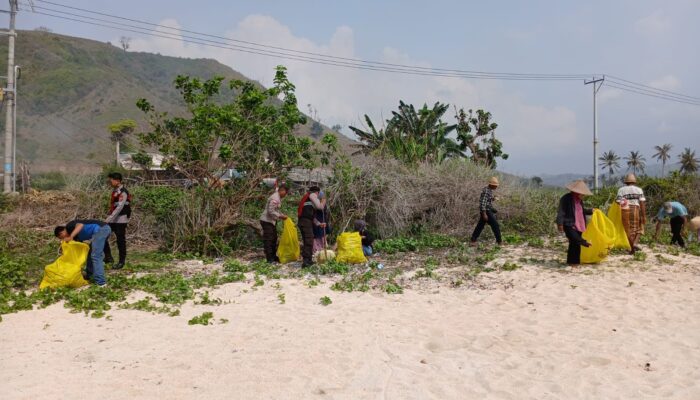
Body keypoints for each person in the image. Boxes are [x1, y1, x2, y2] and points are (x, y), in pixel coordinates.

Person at [54, 219, 112, 287]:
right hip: (100, 232)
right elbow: (79, 248)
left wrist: (70, 237)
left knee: (96, 255)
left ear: (62, 232)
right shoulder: (75, 236)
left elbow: (80, 225)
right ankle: (90, 276)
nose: (63, 239)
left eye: (61, 237)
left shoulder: (69, 226)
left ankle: (101, 283)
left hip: (102, 229)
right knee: (90, 254)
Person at [556, 180, 593, 266]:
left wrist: (591, 211)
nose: (583, 195)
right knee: (576, 240)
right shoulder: (566, 198)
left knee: (574, 244)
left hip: (579, 225)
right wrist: (560, 223)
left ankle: (573, 262)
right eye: (582, 194)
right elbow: (561, 211)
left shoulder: (579, 200)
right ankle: (585, 243)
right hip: (569, 223)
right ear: (577, 192)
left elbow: (580, 211)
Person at [103, 172, 131, 270]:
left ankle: (121, 262)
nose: (110, 182)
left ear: (117, 181)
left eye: (111, 180)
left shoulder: (123, 192)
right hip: (113, 219)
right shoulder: (115, 191)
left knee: (120, 241)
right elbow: (113, 206)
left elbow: (119, 208)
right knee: (102, 235)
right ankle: (108, 257)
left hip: (121, 220)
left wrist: (109, 218)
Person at [615, 173, 647, 254]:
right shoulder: (639, 190)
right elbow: (642, 203)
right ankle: (633, 247)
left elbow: (618, 202)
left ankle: (632, 246)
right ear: (634, 182)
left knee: (628, 229)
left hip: (624, 209)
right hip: (635, 209)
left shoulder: (621, 190)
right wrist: (643, 216)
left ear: (626, 182)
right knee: (637, 228)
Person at [260, 183, 289, 263]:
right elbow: (271, 211)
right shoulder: (275, 198)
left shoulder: (278, 197)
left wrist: (281, 215)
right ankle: (269, 258)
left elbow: (275, 210)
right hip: (267, 220)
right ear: (282, 190)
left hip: (271, 221)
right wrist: (280, 216)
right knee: (269, 239)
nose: (285, 195)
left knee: (274, 238)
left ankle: (273, 256)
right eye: (285, 193)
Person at [470, 177, 502, 246]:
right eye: (495, 185)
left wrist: (493, 198)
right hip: (486, 211)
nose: (496, 186)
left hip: (487, 210)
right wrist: (484, 214)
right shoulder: (486, 191)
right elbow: (483, 203)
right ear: (491, 185)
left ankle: (473, 240)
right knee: (495, 225)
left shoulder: (489, 190)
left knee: (480, 226)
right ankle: (499, 241)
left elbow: (487, 200)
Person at [298, 186, 323, 267]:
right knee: (309, 240)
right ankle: (306, 261)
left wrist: (319, 224)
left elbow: (311, 217)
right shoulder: (312, 195)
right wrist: (323, 201)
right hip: (305, 222)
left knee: (307, 240)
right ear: (317, 192)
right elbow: (320, 207)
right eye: (319, 193)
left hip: (304, 221)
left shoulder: (308, 199)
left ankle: (308, 259)